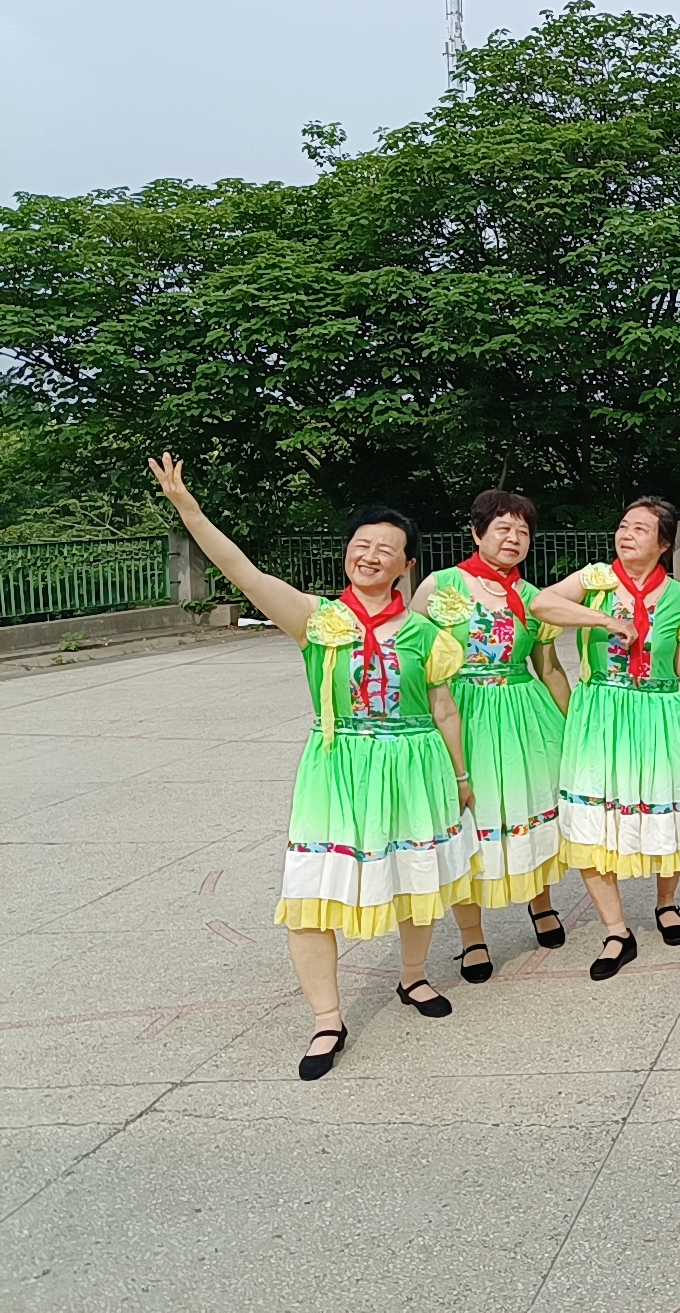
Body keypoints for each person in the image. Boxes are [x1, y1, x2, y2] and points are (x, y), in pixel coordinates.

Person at [148, 454, 476, 1081]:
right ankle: (328, 1018)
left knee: (417, 881)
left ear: (407, 565)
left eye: (386, 549)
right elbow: (243, 572)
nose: (370, 555)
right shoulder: (316, 619)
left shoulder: (429, 635)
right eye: (361, 544)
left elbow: (444, 709)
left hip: (416, 767)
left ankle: (412, 976)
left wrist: (461, 778)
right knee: (310, 897)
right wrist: (189, 509)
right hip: (337, 770)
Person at [530, 498, 680, 975]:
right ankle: (616, 930)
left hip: (660, 713)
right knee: (591, 820)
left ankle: (666, 902)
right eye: (623, 525)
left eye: (640, 529)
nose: (627, 534)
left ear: (663, 543)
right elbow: (540, 603)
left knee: (666, 808)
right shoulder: (596, 580)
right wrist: (604, 620)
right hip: (601, 714)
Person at [413, 490, 570, 982]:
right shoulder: (440, 585)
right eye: (503, 528)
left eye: (523, 531)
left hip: (524, 715)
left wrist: (572, 726)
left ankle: (541, 903)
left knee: (531, 808)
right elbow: (411, 658)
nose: (514, 539)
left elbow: (549, 668)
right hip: (463, 715)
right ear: (477, 532)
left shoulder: (533, 597)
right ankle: (471, 936)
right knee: (469, 820)